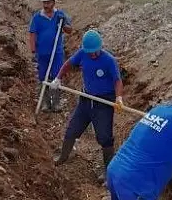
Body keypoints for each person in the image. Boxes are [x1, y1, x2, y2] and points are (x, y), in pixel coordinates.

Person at [49, 29, 124, 182]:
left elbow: (117, 81)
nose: (92, 55)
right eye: (90, 52)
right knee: (72, 130)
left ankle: (108, 172)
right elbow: (68, 64)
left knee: (104, 137)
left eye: (95, 52)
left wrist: (119, 98)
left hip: (103, 103)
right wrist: (58, 79)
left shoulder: (109, 60)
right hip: (85, 100)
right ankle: (63, 157)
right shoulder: (82, 53)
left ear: (100, 48)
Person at [28, 0, 72, 112]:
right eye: (44, 3)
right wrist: (33, 50)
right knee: (43, 77)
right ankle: (46, 103)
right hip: (42, 53)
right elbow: (32, 34)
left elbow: (69, 30)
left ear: (54, 2)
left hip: (56, 52)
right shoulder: (37, 17)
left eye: (48, 2)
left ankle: (56, 103)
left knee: (57, 76)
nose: (46, 5)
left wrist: (63, 24)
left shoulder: (60, 15)